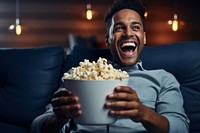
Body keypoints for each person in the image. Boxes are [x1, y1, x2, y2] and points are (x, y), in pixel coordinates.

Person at [31, 0, 189, 133]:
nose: (128, 33)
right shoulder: (76, 75)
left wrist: (144, 113)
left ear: (144, 37)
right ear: (108, 40)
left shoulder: (163, 79)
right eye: (119, 28)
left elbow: (181, 127)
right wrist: (59, 118)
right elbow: (37, 127)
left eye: (135, 27)